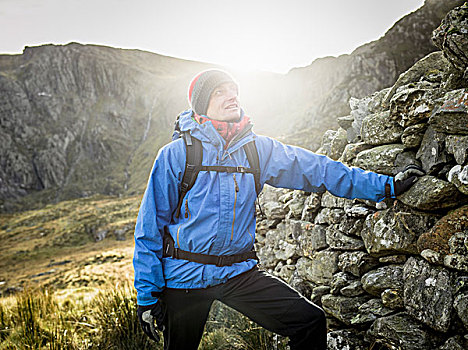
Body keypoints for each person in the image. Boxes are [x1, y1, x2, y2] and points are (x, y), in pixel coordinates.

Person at [133, 69, 423, 350]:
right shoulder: (176, 155)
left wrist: (385, 186)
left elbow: (318, 170)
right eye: (219, 92)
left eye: (233, 89)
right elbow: (150, 227)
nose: (231, 96)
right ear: (201, 105)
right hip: (185, 277)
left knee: (310, 322)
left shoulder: (257, 150)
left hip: (238, 272)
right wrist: (147, 295)